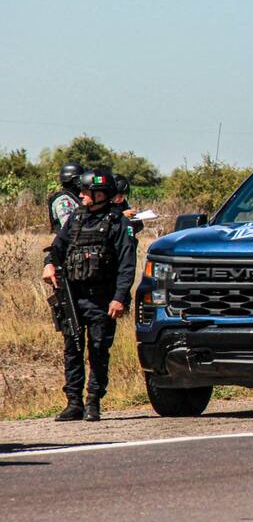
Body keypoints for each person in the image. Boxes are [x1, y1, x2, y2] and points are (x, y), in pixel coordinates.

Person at [41, 169, 137, 421]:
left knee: (97, 350)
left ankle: (93, 401)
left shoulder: (118, 223)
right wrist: (49, 263)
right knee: (72, 348)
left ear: (100, 194)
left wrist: (119, 297)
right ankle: (73, 403)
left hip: (102, 299)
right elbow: (57, 248)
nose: (80, 195)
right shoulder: (75, 218)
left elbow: (127, 265)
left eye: (85, 191)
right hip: (73, 296)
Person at [47, 162, 84, 233]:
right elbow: (68, 226)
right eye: (80, 179)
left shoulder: (74, 197)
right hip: (67, 242)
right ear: (74, 181)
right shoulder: (63, 200)